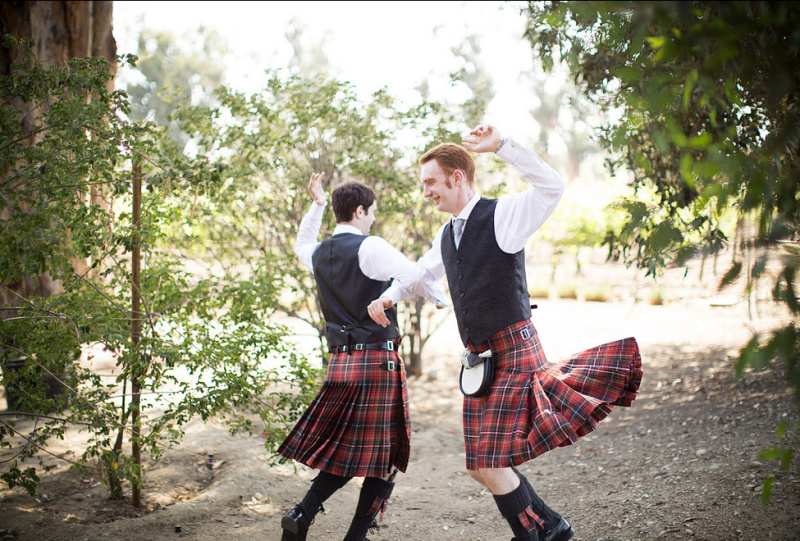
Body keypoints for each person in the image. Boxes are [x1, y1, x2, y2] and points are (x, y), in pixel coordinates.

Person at [369, 124, 643, 541]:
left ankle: (534, 534)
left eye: (431, 182)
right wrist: (388, 296)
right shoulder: (447, 233)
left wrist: (502, 147)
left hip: (514, 350)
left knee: (490, 464)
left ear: (456, 177)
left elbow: (551, 187)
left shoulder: (503, 215)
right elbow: (421, 274)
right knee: (480, 466)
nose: (425, 192)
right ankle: (552, 527)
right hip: (480, 361)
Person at [278, 172, 445, 541]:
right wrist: (439, 299)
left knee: (347, 452)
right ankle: (354, 537)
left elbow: (301, 242)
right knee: (385, 457)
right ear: (359, 211)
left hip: (340, 363)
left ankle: (302, 513)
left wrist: (317, 205)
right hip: (376, 364)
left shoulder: (318, 253)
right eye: (372, 212)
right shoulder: (370, 247)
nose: (373, 218)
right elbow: (414, 275)